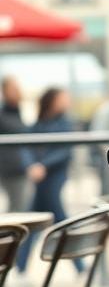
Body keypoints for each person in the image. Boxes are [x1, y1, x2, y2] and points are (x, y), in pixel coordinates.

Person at [17, 87, 75, 273]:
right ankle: (19, 266)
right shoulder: (39, 122)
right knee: (43, 220)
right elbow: (25, 145)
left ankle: (19, 266)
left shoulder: (64, 123)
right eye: (62, 98)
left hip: (54, 177)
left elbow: (65, 151)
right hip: (40, 179)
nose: (66, 101)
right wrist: (31, 166)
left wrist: (43, 166)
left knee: (49, 219)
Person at [0, 76, 42, 212]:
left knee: (20, 206)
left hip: (21, 167)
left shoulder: (18, 111)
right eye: (13, 88)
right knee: (18, 209)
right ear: (4, 91)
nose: (17, 91)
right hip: (12, 168)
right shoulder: (5, 115)